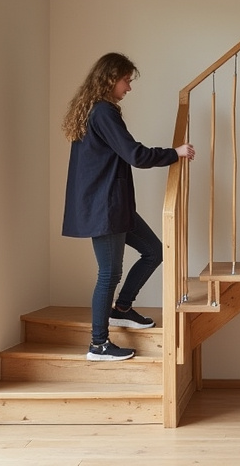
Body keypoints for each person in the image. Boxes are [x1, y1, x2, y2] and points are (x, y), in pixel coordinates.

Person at [61, 52, 195, 361]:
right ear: (111, 79)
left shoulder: (94, 112)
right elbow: (135, 155)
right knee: (109, 273)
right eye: (126, 81)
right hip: (105, 207)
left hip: (113, 205)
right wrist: (175, 153)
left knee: (154, 250)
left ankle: (122, 309)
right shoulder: (103, 113)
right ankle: (98, 344)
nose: (128, 88)